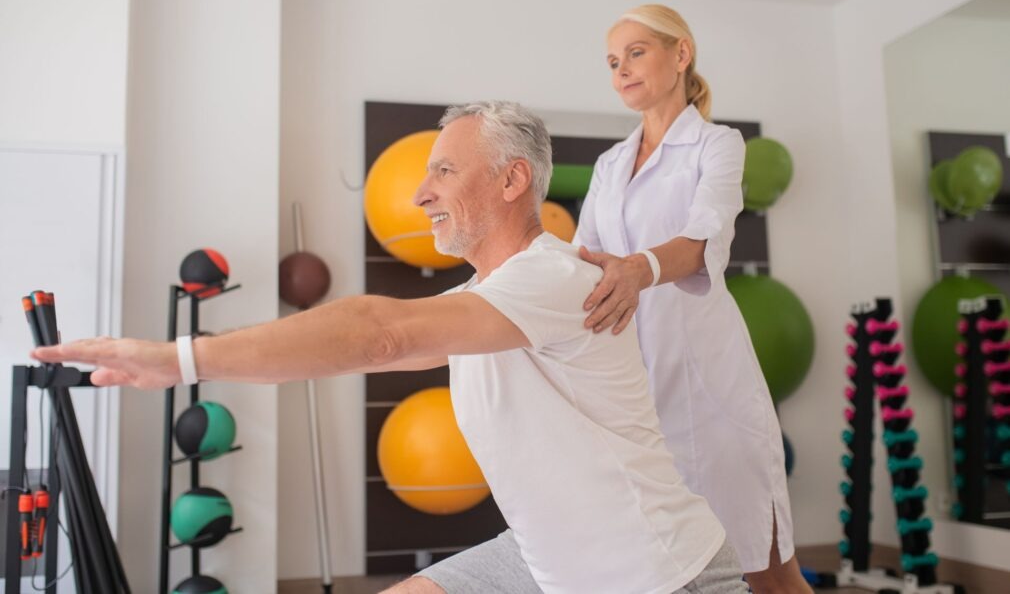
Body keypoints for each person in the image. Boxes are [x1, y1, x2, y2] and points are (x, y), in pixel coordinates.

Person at [35, 101, 748, 594]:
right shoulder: (487, 301)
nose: (419, 194)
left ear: (512, 179)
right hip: (550, 560)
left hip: (656, 574)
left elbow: (381, 333)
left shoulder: (552, 278)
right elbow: (376, 343)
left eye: (443, 170)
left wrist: (179, 359)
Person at [572, 5, 812, 594]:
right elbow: (581, 259)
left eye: (635, 53)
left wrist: (637, 269)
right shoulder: (608, 165)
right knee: (669, 576)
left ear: (681, 55)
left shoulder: (719, 145)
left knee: (767, 570)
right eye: (611, 61)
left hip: (712, 389)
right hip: (637, 396)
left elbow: (704, 239)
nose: (621, 70)